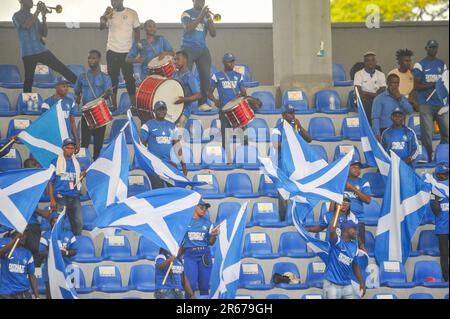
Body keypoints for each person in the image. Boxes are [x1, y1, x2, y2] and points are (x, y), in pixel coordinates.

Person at [12, 0, 77, 93]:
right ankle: (27, 102)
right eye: (29, 0)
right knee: (29, 80)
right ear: (21, 1)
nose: (31, 1)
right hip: (28, 52)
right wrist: (38, 12)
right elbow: (26, 26)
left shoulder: (34, 17)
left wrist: (43, 17)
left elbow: (44, 33)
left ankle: (82, 87)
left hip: (41, 49)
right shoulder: (16, 15)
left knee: (62, 68)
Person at [271, 104, 312, 221]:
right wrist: (292, 144)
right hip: (283, 166)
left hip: (297, 167)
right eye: (290, 113)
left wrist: (300, 126)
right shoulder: (277, 129)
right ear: (283, 115)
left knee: (299, 194)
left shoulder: (296, 127)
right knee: (283, 193)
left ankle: (298, 218)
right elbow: (275, 144)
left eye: (293, 112)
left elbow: (309, 139)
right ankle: (283, 219)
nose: (293, 115)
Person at [413, 40, 449, 162]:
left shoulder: (442, 64)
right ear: (426, 48)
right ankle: (428, 158)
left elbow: (445, 83)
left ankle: (442, 155)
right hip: (426, 104)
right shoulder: (419, 64)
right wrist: (433, 84)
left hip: (440, 104)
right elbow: (416, 86)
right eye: (431, 47)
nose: (433, 49)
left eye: (435, 47)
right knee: (427, 134)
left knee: (446, 132)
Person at [100, 0, 140, 108]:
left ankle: (134, 105)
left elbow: (137, 30)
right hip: (112, 51)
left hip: (127, 52)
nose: (113, 2)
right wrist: (103, 16)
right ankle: (114, 105)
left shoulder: (132, 13)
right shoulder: (109, 14)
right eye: (111, 0)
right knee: (113, 79)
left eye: (115, 0)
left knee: (129, 79)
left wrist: (136, 47)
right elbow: (101, 27)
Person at [74, 50, 113, 161]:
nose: (91, 60)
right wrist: (78, 97)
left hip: (99, 112)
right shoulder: (82, 77)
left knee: (98, 144)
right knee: (84, 143)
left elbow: (107, 94)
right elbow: (77, 90)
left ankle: (96, 164)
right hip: (86, 114)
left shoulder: (106, 78)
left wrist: (107, 94)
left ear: (99, 59)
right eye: (89, 58)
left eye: (94, 58)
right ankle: (83, 163)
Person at [140, 101, 187, 189]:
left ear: (166, 110)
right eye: (159, 109)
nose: (161, 111)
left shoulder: (172, 126)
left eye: (163, 109)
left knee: (175, 188)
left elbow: (177, 146)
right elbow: (142, 146)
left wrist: (183, 164)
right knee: (158, 188)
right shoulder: (147, 125)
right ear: (154, 111)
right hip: (154, 164)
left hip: (169, 164)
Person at [208, 53, 247, 156]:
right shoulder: (217, 76)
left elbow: (243, 92)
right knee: (226, 136)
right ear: (224, 63)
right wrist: (215, 101)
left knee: (243, 135)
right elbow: (209, 92)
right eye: (230, 61)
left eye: (233, 61)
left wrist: (242, 94)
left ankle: (246, 155)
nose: (232, 63)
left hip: (237, 109)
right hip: (224, 110)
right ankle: (227, 158)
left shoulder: (239, 76)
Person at [181, 0, 217, 111]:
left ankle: (203, 103)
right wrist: (201, 16)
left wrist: (210, 19)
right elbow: (188, 28)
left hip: (202, 49)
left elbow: (213, 34)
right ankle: (184, 104)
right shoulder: (186, 13)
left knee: (205, 77)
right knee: (186, 77)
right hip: (188, 48)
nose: (201, 2)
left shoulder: (206, 16)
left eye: (203, 0)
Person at [47, 138, 86, 236]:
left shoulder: (76, 163)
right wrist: (52, 200)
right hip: (60, 197)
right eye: (68, 148)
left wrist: (81, 177)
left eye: (72, 148)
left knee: (78, 223)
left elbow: (76, 182)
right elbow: (50, 181)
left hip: (74, 196)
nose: (70, 150)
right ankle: (59, 245)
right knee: (58, 223)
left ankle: (76, 243)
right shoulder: (55, 162)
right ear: (63, 148)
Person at [182, 199, 219, 297]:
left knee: (205, 285)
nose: (204, 210)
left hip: (204, 255)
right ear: (194, 207)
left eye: (206, 208)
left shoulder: (208, 223)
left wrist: (214, 235)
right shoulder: (185, 222)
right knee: (190, 285)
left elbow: (210, 243)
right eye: (202, 207)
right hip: (190, 255)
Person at [323, 219, 366, 299]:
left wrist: (361, 282)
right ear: (346, 229)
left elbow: (355, 266)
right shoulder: (337, 241)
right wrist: (338, 210)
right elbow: (332, 229)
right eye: (354, 229)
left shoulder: (354, 246)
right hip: (332, 284)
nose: (356, 231)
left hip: (346, 284)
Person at [22, 158, 51, 265]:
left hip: (33, 225)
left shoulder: (35, 183)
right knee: (31, 254)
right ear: (27, 168)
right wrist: (42, 213)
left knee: (32, 255)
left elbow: (48, 194)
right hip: (27, 225)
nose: (37, 166)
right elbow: (25, 205)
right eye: (34, 164)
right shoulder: (24, 183)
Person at [372, 73, 414, 140]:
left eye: (397, 83)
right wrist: (377, 134)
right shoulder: (379, 98)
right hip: (385, 130)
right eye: (393, 83)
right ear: (387, 83)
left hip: (400, 129)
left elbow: (410, 111)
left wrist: (399, 99)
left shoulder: (402, 97)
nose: (395, 85)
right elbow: (375, 118)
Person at [42, 79, 79, 151]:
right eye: (64, 86)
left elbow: (72, 122)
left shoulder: (71, 102)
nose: (67, 89)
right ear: (56, 87)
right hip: (52, 140)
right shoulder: (47, 103)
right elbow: (45, 124)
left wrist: (77, 140)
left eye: (68, 86)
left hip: (67, 140)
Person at [0, 232, 39, 299]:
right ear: (13, 236)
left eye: (24, 235)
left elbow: (31, 275)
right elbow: (1, 253)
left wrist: (37, 296)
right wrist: (13, 241)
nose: (23, 237)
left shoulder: (28, 253)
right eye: (20, 235)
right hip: (7, 294)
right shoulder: (6, 249)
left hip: (24, 293)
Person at [344, 159, 371, 251]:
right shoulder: (341, 180)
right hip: (343, 218)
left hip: (358, 219)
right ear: (348, 168)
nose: (357, 170)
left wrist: (352, 188)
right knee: (344, 247)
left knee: (360, 248)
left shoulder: (363, 181)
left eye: (359, 168)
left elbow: (368, 200)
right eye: (354, 167)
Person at [354, 52, 387, 126]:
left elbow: (382, 91)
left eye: (372, 60)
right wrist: (374, 94)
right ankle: (369, 128)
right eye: (367, 60)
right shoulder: (358, 74)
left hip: (377, 99)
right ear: (364, 62)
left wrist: (367, 93)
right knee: (365, 101)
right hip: (364, 100)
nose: (370, 62)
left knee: (384, 101)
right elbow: (358, 92)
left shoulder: (381, 75)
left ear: (376, 62)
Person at [173, 51, 202, 128]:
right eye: (174, 59)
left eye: (178, 59)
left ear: (185, 60)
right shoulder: (174, 74)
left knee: (178, 135)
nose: (175, 62)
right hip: (174, 109)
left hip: (184, 112)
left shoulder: (190, 77)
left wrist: (183, 99)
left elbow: (198, 95)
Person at [430, 163, 449, 282]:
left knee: (445, 256)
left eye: (446, 173)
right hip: (442, 228)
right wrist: (435, 198)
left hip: (442, 228)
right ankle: (446, 280)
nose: (444, 176)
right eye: (442, 174)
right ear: (438, 175)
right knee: (444, 256)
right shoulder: (435, 189)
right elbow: (435, 210)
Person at [38, 212, 59, 299]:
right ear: (50, 223)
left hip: (66, 271)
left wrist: (67, 253)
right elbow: (41, 253)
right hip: (50, 272)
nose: (55, 223)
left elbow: (75, 251)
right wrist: (55, 252)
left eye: (57, 221)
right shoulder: (46, 235)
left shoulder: (69, 234)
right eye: (53, 221)